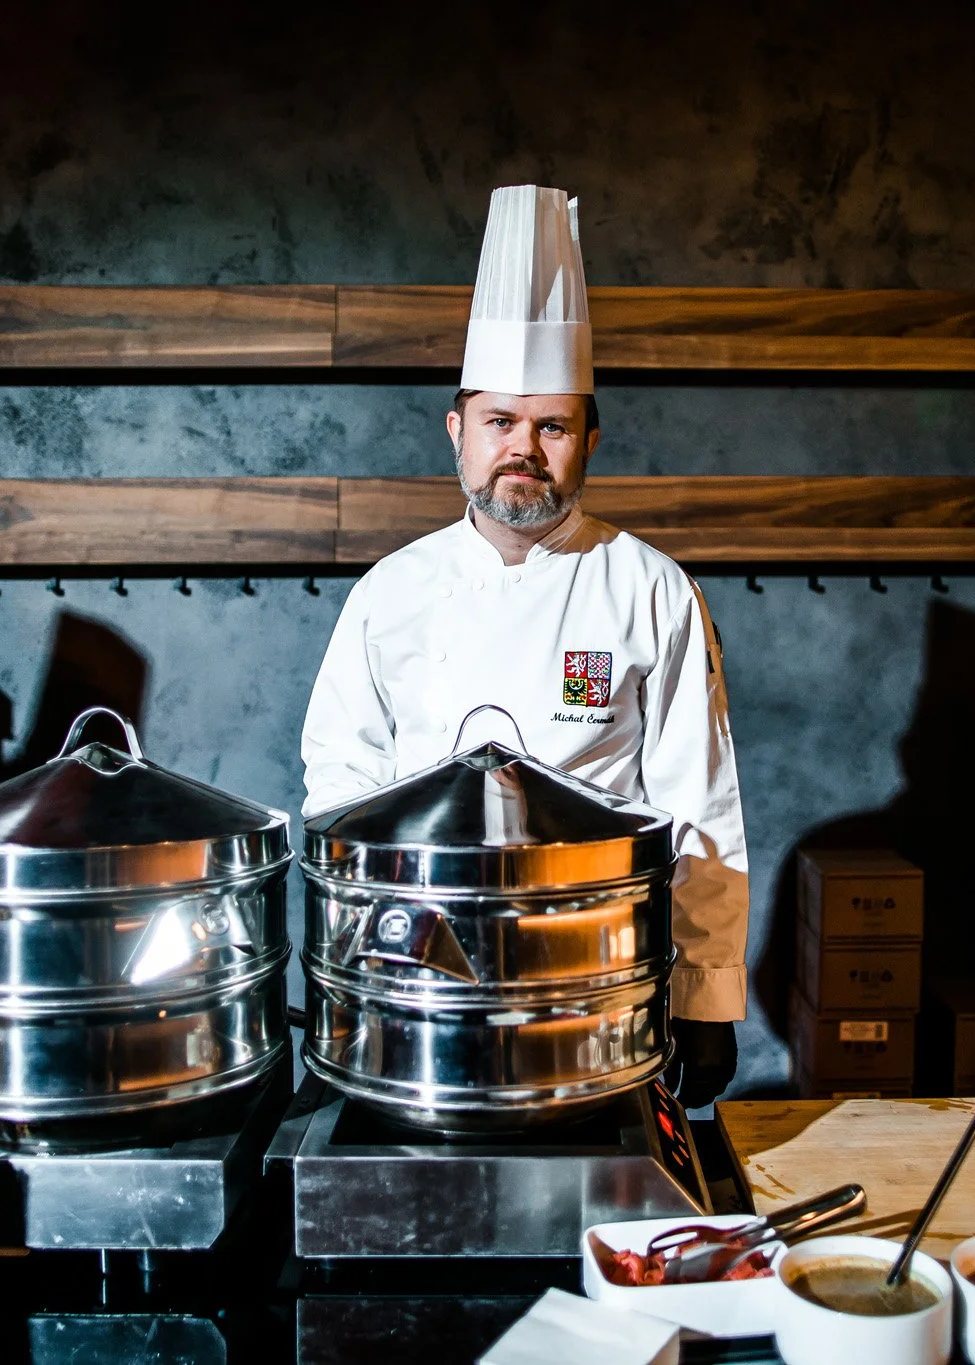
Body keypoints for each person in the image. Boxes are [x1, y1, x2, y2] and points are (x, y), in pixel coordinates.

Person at [300, 184, 748, 1106]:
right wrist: (350, 965)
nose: (524, 449)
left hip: (590, 984)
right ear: (458, 435)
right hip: (415, 972)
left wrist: (706, 998)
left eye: (551, 425)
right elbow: (338, 791)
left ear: (588, 440)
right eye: (501, 422)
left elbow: (697, 802)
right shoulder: (390, 593)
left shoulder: (651, 587)